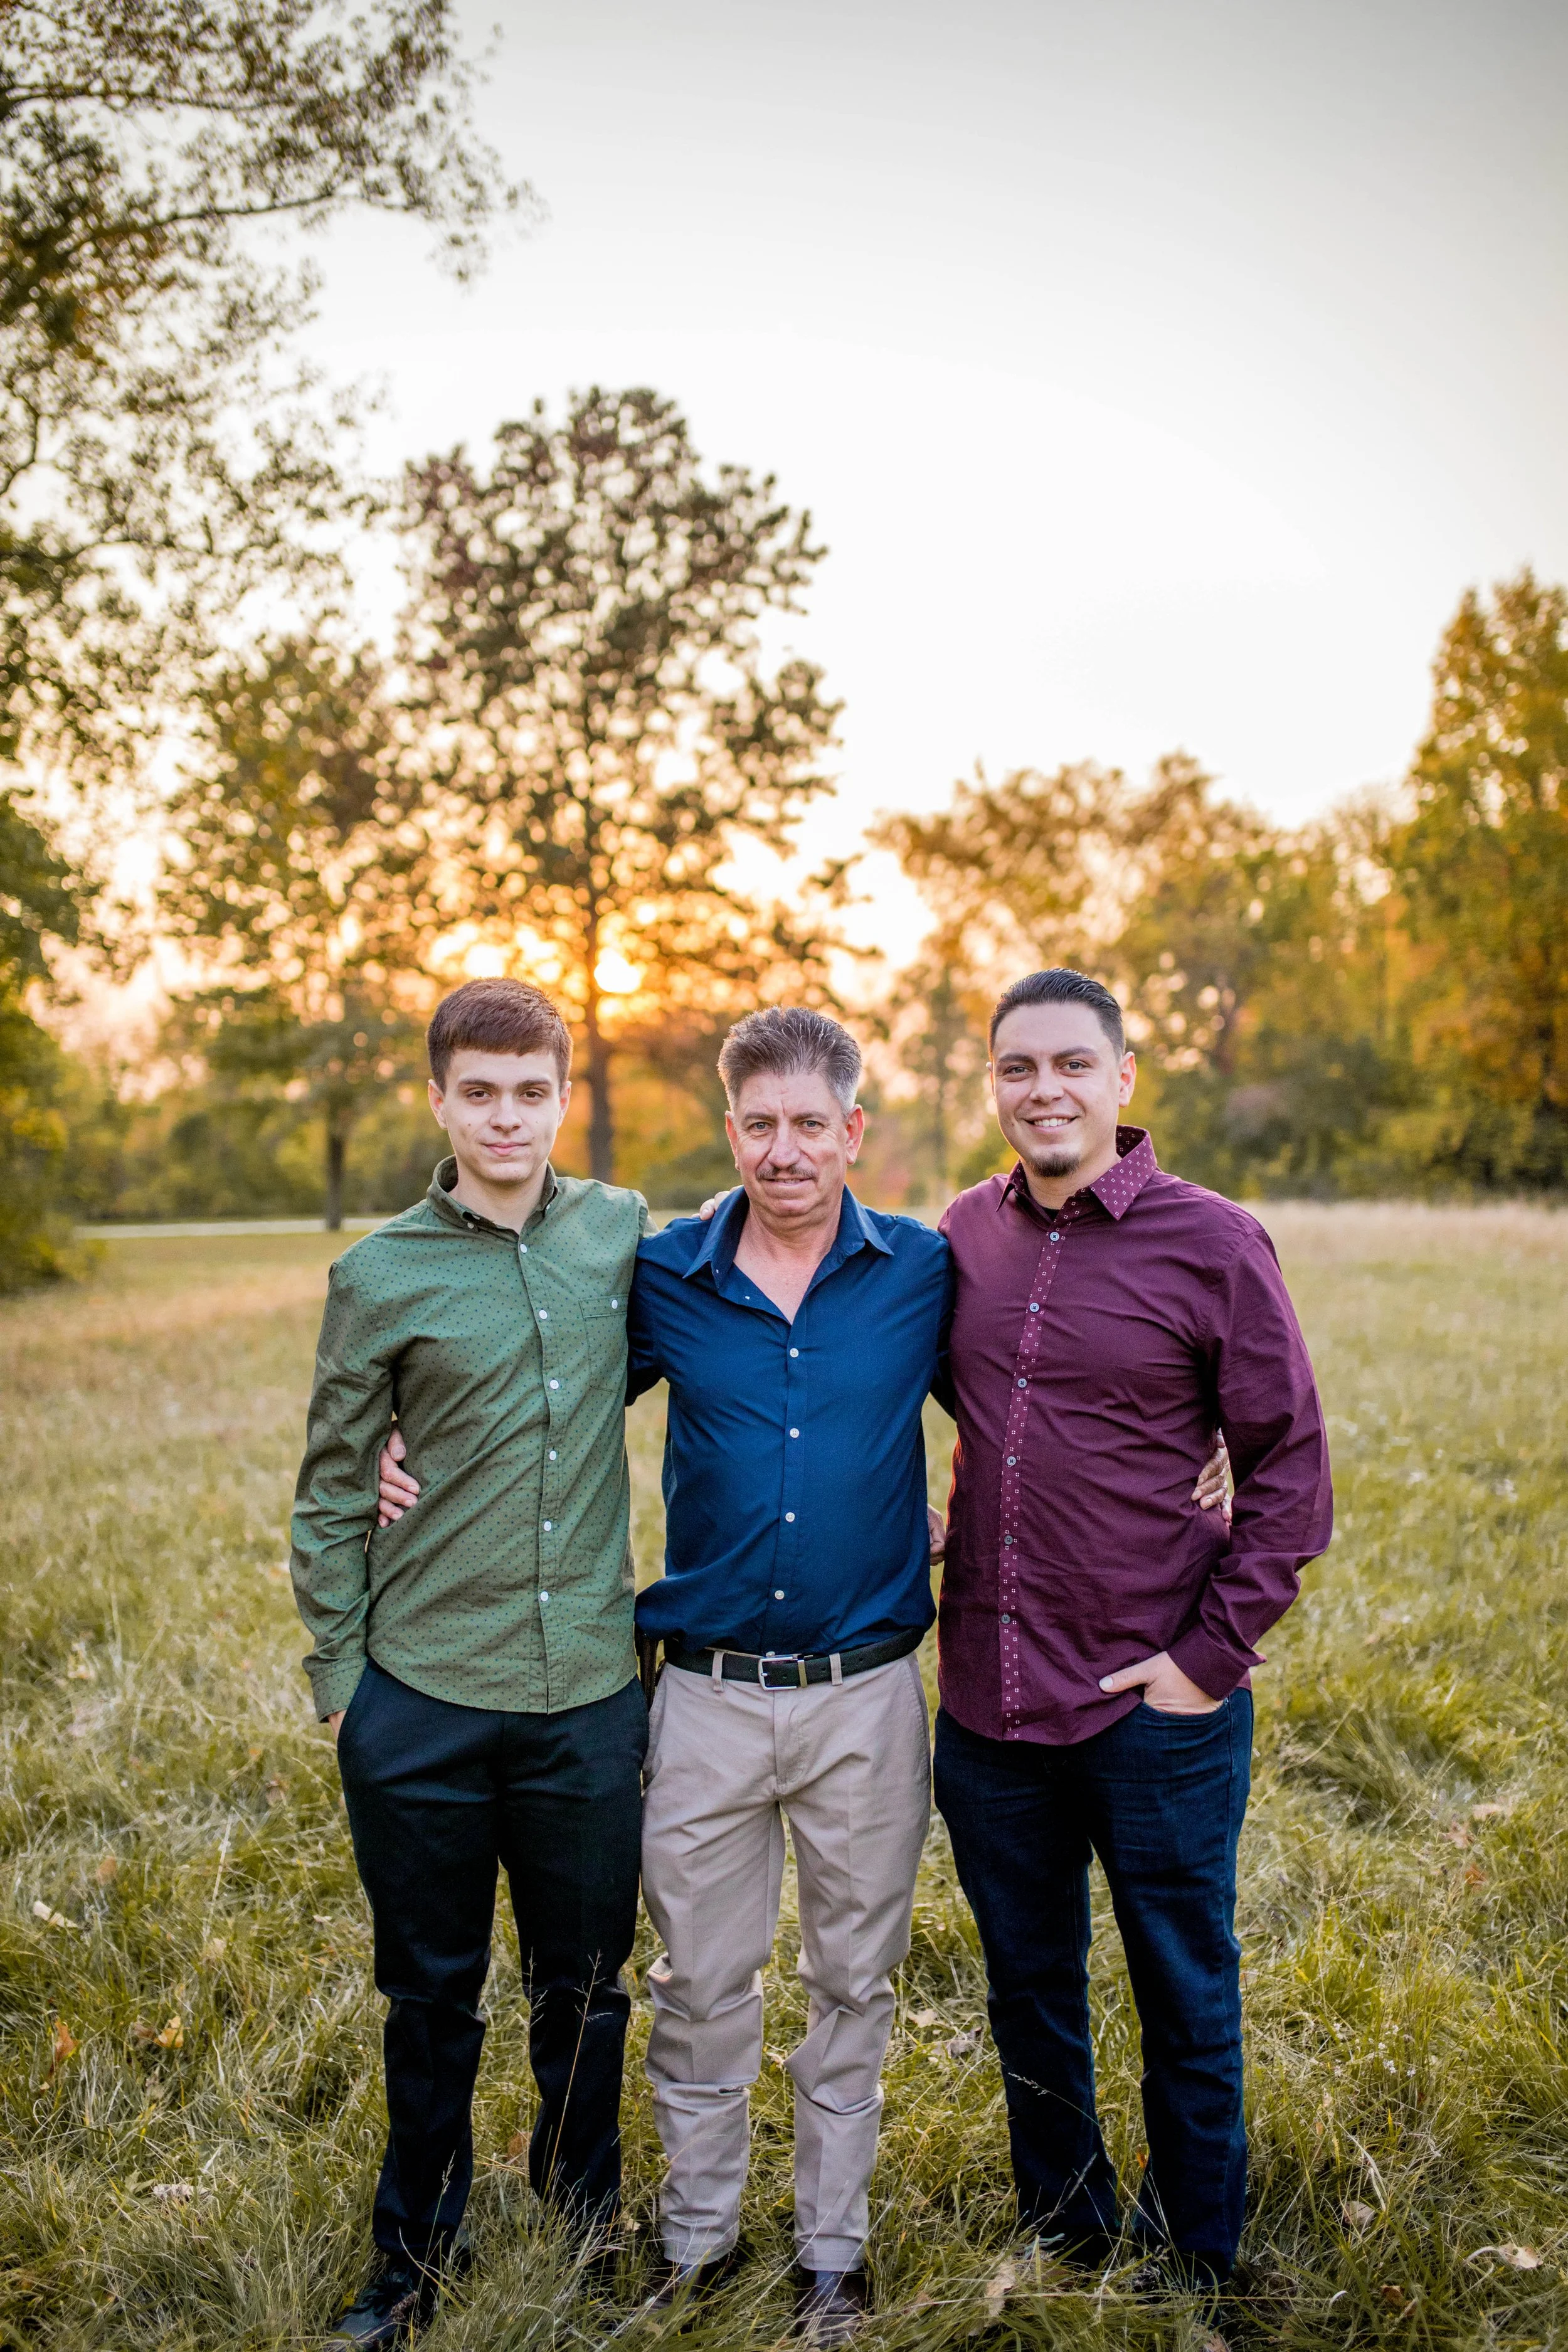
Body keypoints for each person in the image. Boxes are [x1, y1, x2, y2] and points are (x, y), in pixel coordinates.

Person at [930, 967, 1332, 2305]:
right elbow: (864, 1374)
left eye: (1067, 1066)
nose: (1042, 1091)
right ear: (993, 1084)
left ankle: (1198, 2258)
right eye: (1016, 1069)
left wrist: (1202, 1662)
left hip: (1148, 1702)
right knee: (1026, 1986)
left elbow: (1288, 1468)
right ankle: (1067, 2232)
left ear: (1120, 1080)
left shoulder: (1212, 1241)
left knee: (1181, 1990)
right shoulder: (957, 1241)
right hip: (987, 1701)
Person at [288, 978, 649, 2349]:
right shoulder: (378, 1272)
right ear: (439, 1101)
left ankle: (579, 2224)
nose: (508, 1116)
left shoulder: (619, 1234)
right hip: (423, 1697)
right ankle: (411, 2260)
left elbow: (756, 1344)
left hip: (588, 1700)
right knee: (430, 1993)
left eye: (532, 1091)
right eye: (480, 1092)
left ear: (563, 1095)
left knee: (585, 1989)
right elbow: (330, 1488)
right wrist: (342, 1684)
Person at [625, 1008, 950, 2346]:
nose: (784, 1149)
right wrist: (396, 1427)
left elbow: (1035, 1393)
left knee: (851, 1984)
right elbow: (536, 1393)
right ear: (729, 1132)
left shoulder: (921, 1271)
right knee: (697, 1982)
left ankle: (832, 2252)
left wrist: (1205, 1450)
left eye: (810, 1123)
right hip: (701, 1694)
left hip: (865, 1695)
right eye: (758, 1124)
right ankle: (694, 2239)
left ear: (852, 1131)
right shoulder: (664, 1279)